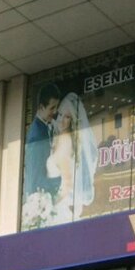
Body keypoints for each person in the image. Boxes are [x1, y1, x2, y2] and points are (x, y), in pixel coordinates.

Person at [46, 92, 98, 220]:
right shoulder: (59, 138)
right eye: (60, 114)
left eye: (67, 117)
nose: (61, 120)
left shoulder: (66, 142)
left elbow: (67, 183)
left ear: (73, 120)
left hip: (60, 206)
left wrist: (50, 204)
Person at [23, 82, 61, 200]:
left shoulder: (45, 126)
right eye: (52, 108)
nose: (55, 112)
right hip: (42, 196)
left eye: (56, 107)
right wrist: (60, 181)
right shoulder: (36, 137)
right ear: (41, 107)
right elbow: (35, 180)